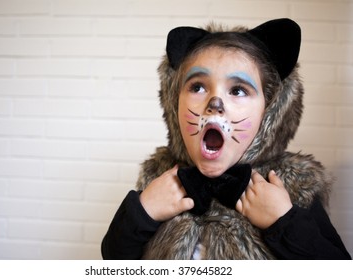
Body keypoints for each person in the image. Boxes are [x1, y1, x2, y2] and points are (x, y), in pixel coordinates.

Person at [101, 18, 351, 259]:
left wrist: (283, 221)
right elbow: (115, 259)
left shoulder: (294, 187)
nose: (215, 104)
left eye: (238, 90)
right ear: (174, 101)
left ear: (270, 110)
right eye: (198, 87)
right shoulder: (160, 178)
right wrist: (142, 212)